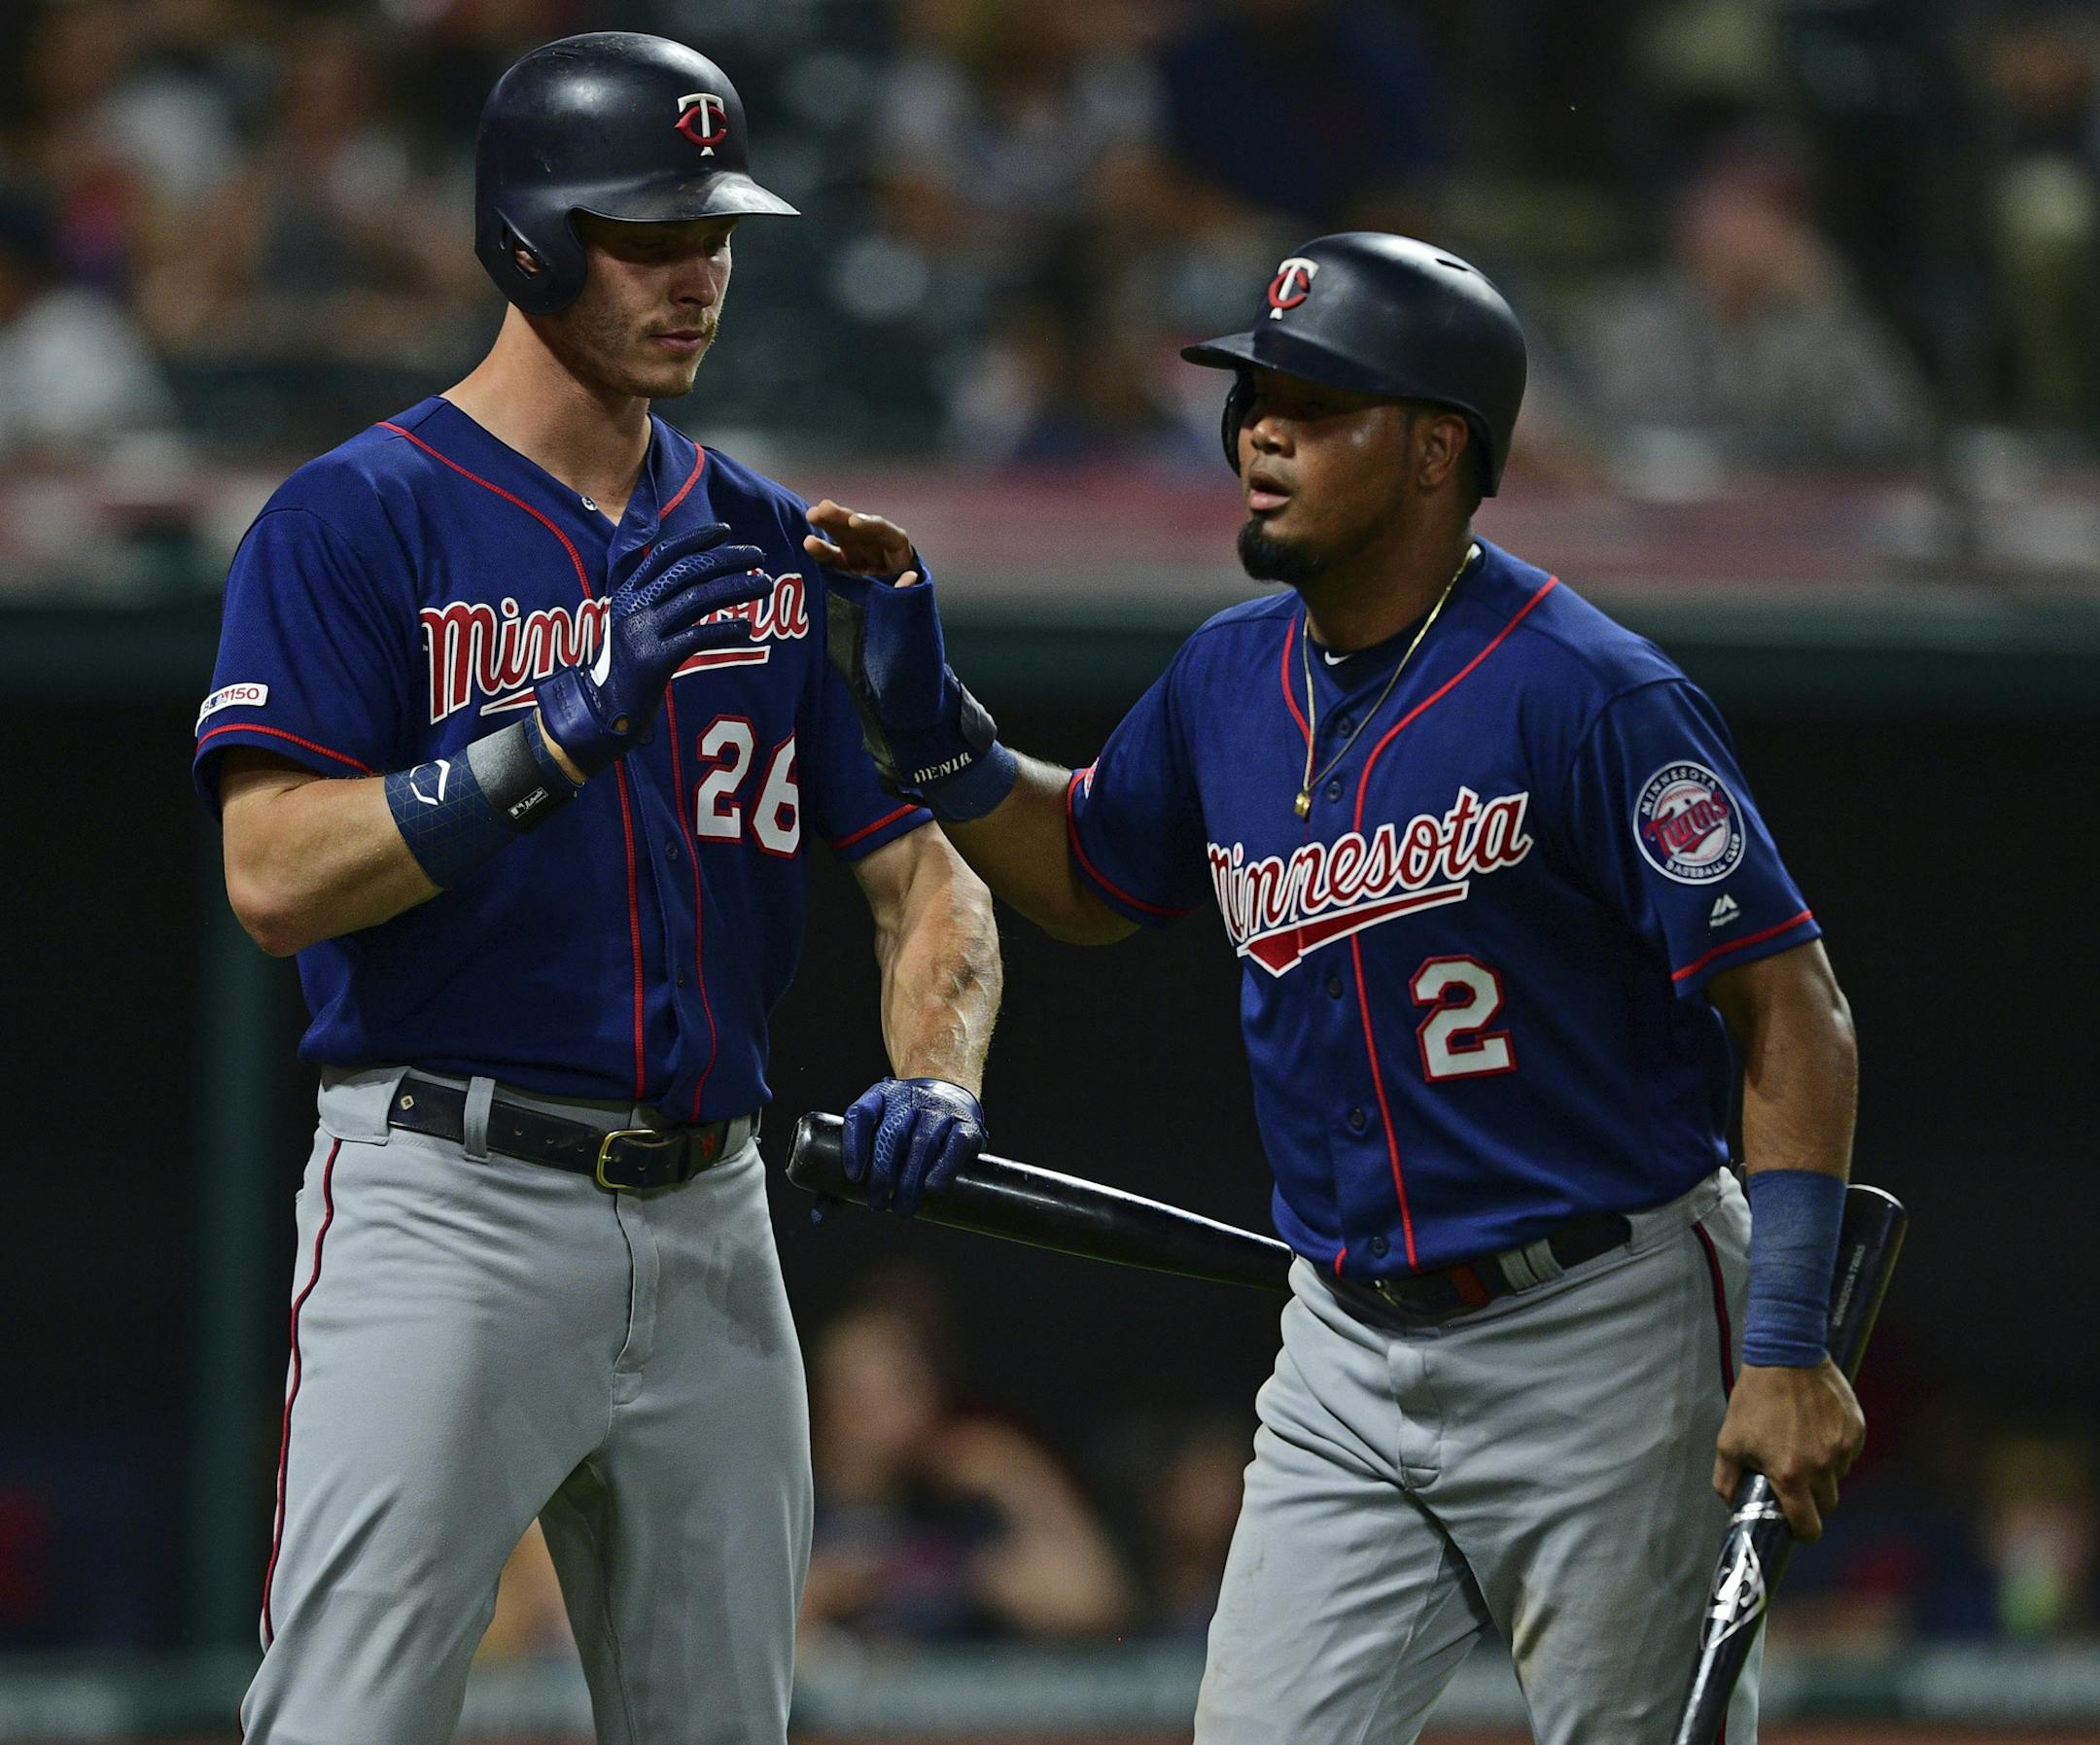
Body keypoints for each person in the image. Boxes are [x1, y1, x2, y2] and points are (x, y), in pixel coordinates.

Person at [814, 231, 1867, 1742]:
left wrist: (1782, 1344)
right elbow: (1092, 878)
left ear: (1440, 446)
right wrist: (928, 723)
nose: (1259, 435)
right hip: (1347, 1345)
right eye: (1256, 401)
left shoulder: (1592, 691)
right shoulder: (1231, 677)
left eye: (1314, 406)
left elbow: (1793, 1008)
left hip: (1601, 1327)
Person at [191, 34, 1000, 1744]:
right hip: (451, 1199)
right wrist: (541, 740)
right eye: (649, 234)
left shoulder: (763, 543)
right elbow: (269, 876)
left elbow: (927, 883)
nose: (698, 274)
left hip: (717, 1223)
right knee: (342, 1724)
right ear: (528, 240)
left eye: (716, 233)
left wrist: (938, 1069)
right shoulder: (358, 517)